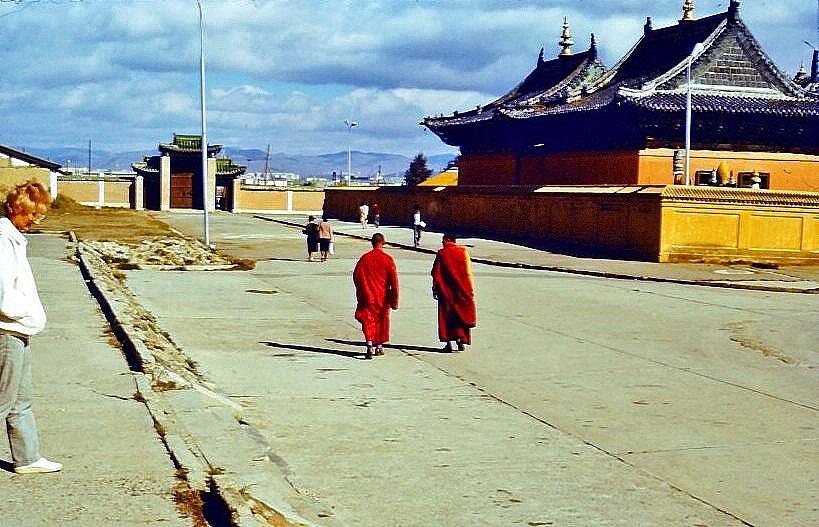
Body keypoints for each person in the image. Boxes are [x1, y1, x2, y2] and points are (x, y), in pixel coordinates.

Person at [0, 181, 62, 474]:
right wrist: (27, 311)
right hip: (6, 329)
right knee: (4, 398)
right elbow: (2, 294)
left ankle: (27, 458)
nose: (35, 221)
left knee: (20, 399)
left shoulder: (14, 237)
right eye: (31, 214)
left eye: (40, 215)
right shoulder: (2, 239)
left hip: (19, 328)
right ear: (15, 209)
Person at [353, 233, 399, 359]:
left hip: (367, 296)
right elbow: (394, 281)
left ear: (372, 243)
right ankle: (379, 347)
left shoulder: (365, 259)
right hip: (383, 297)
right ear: (383, 242)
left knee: (368, 321)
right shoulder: (388, 259)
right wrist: (394, 299)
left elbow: (356, 276)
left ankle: (369, 345)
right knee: (381, 321)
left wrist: (362, 290)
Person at [431, 233, 477, 352]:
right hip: (461, 291)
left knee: (446, 317)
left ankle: (448, 344)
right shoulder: (463, 252)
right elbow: (468, 272)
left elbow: (436, 273)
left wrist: (434, 288)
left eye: (443, 241)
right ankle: (461, 340)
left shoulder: (442, 253)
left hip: (446, 292)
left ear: (447, 240)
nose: (442, 243)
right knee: (459, 316)